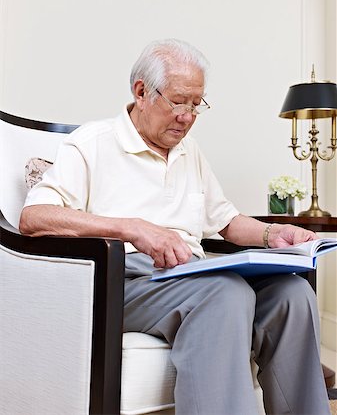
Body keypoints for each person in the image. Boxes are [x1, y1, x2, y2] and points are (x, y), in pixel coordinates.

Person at [20, 39, 330, 415]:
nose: (188, 115)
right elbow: (34, 218)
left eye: (197, 103)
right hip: (124, 281)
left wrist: (273, 235)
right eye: (179, 101)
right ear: (141, 91)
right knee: (225, 293)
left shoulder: (189, 152)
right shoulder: (92, 144)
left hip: (193, 274)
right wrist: (133, 229)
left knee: (292, 295)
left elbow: (227, 222)